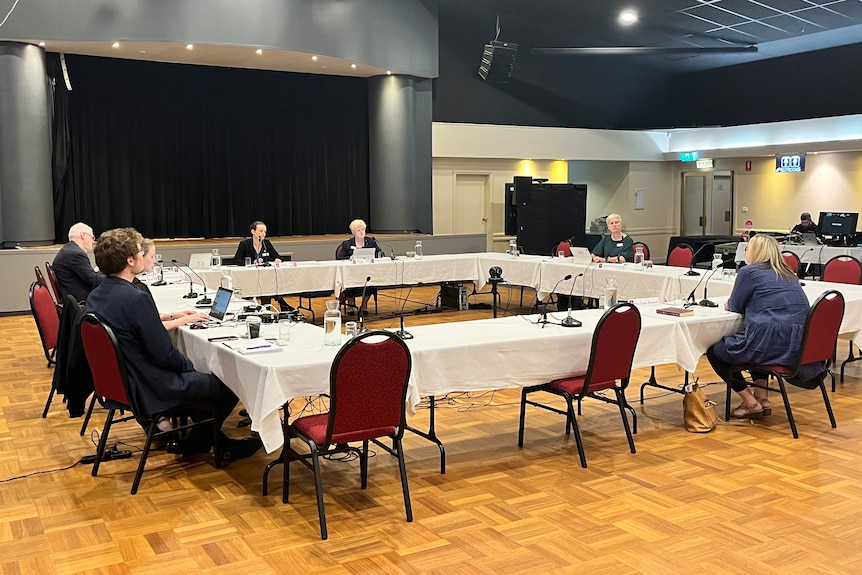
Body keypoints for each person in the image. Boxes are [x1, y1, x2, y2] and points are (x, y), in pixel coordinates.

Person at [85, 227, 262, 460]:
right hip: (151, 385)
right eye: (141, 251)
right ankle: (200, 444)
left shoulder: (95, 296)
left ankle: (206, 441)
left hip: (125, 382)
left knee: (205, 383)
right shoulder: (136, 298)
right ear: (130, 260)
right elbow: (164, 354)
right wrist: (191, 367)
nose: (144, 255)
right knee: (228, 385)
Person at [706, 234, 810, 418]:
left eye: (748, 249)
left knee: (716, 352)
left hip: (769, 342)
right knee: (754, 343)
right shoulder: (789, 273)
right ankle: (762, 397)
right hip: (797, 345)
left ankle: (749, 401)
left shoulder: (750, 272)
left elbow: (735, 306)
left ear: (754, 252)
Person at [133, 238, 210, 331]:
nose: (155, 261)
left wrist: (171, 316)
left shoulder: (129, 285)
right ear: (139, 258)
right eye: (152, 256)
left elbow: (145, 320)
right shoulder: (136, 291)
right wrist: (186, 319)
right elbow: (150, 328)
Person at [232, 221, 293, 311]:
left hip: (265, 277)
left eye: (264, 231)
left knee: (268, 286)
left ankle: (267, 310)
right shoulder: (245, 244)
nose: (263, 234)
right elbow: (236, 260)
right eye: (260, 231)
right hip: (249, 277)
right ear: (253, 231)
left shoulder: (266, 243)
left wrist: (277, 260)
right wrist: (252, 263)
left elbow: (278, 257)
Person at [336, 219, 382, 313]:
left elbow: (380, 253)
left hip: (367, 272)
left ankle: (364, 305)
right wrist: (349, 258)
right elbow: (340, 258)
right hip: (351, 273)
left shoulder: (371, 242)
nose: (361, 232)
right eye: (358, 230)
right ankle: (350, 305)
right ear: (353, 232)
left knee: (371, 283)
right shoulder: (347, 244)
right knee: (348, 282)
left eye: (363, 229)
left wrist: (375, 258)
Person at [52, 222, 105, 302]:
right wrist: (114, 276)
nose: (93, 241)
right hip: (80, 301)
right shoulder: (75, 254)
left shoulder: (69, 250)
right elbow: (93, 280)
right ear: (83, 235)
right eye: (92, 237)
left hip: (72, 296)